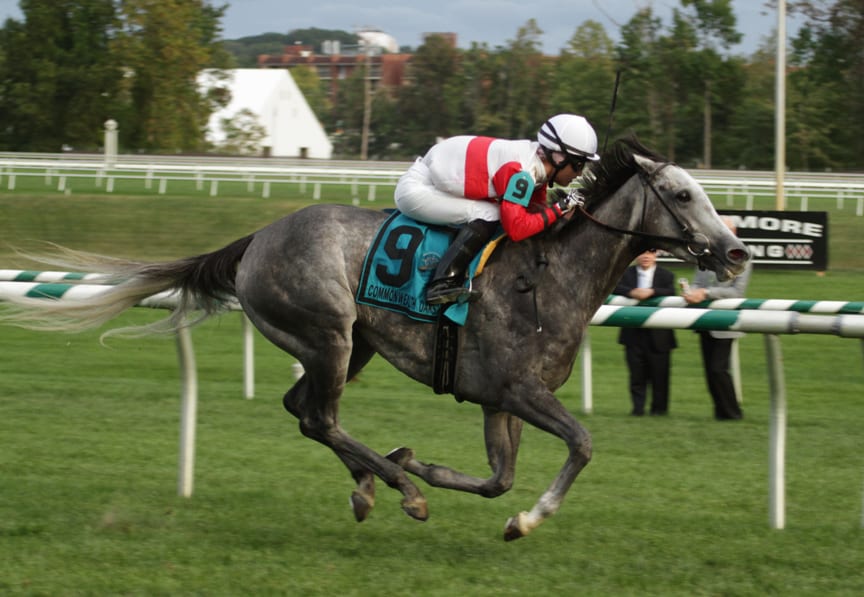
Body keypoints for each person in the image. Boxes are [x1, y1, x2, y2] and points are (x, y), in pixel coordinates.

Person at [394, 114, 600, 305]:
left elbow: (536, 213)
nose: (579, 173)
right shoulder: (521, 173)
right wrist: (559, 208)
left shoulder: (536, 167)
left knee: (493, 211)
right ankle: (443, 282)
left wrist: (562, 213)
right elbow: (516, 229)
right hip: (418, 189)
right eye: (579, 165)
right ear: (559, 157)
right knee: (490, 213)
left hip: (435, 181)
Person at [683, 216, 753, 420]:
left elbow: (737, 293)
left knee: (718, 368)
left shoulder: (743, 256)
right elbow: (697, 281)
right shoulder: (707, 253)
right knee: (709, 370)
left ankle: (733, 413)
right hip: (705, 319)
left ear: (734, 233)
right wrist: (691, 292)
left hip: (725, 320)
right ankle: (720, 413)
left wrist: (705, 293)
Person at [613, 250, 678, 416]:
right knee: (636, 375)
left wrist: (652, 292)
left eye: (650, 252)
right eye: (642, 252)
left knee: (660, 376)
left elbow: (671, 292)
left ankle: (659, 411)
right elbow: (614, 288)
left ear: (656, 255)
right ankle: (637, 409)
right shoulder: (625, 274)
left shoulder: (666, 275)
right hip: (633, 334)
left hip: (659, 336)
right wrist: (631, 292)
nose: (646, 256)